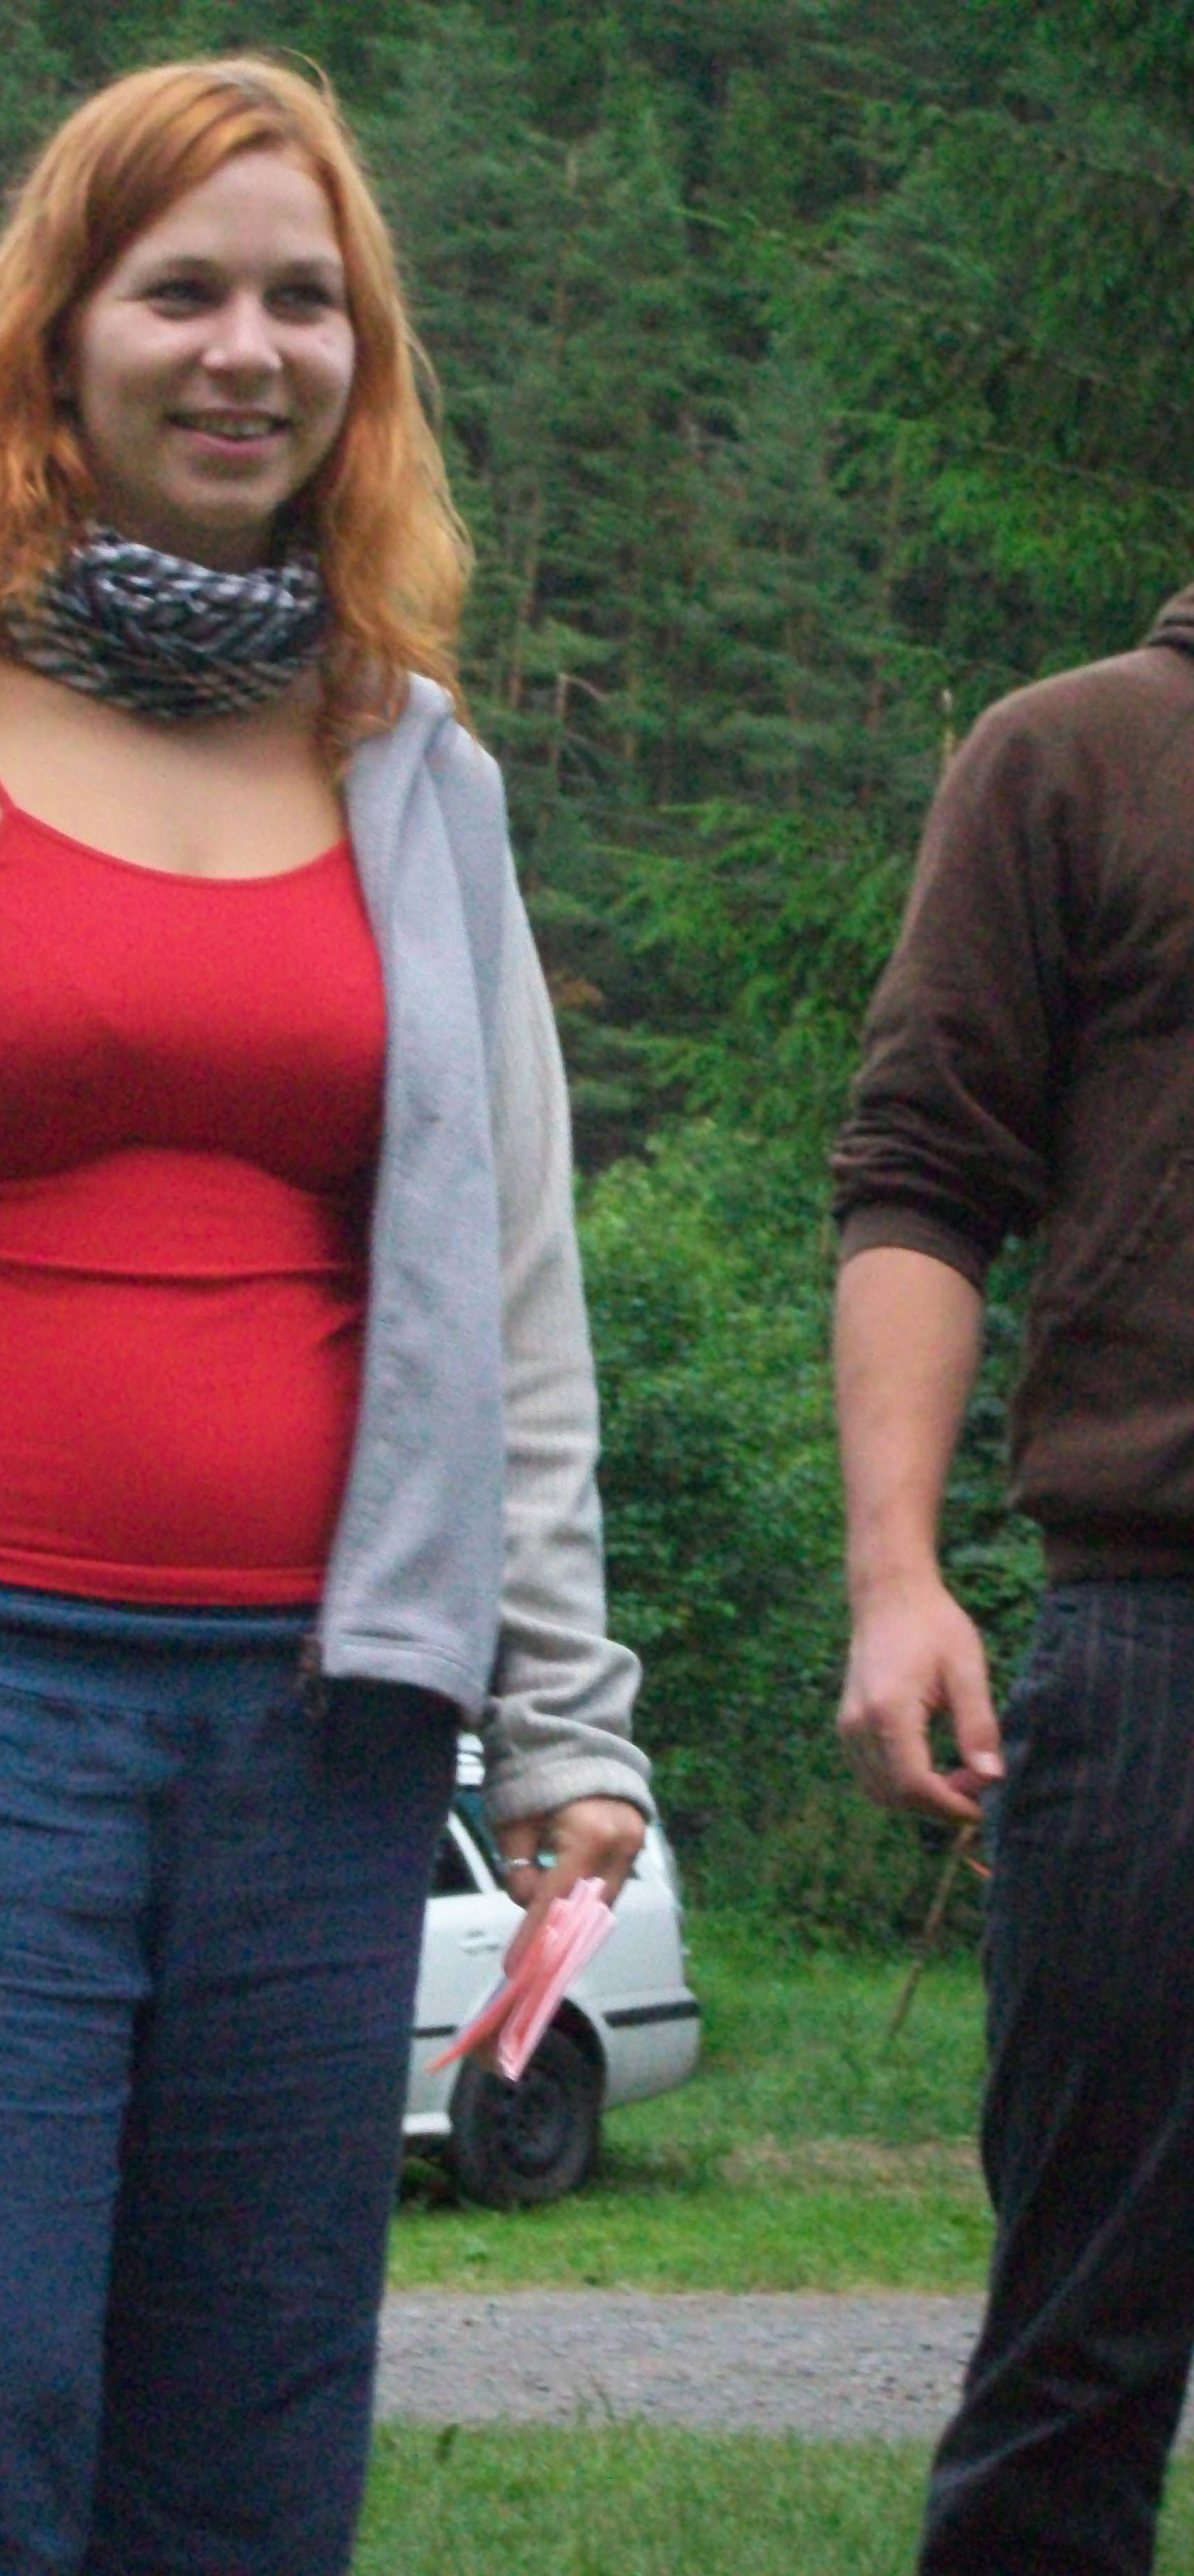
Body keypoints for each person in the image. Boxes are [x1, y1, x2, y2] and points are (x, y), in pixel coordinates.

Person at [0, 56, 650, 2576]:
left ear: (360, 361)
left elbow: (505, 1285)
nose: (244, 350)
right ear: (55, 337)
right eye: (179, 292)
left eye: (304, 300)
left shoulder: (421, 777)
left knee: (251, 2450)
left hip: (331, 1734)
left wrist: (562, 1711)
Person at [831, 579, 1194, 2575]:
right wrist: (898, 1573)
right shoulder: (1075, 755)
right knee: (1077, 2363)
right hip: (1159, 1643)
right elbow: (922, 1170)